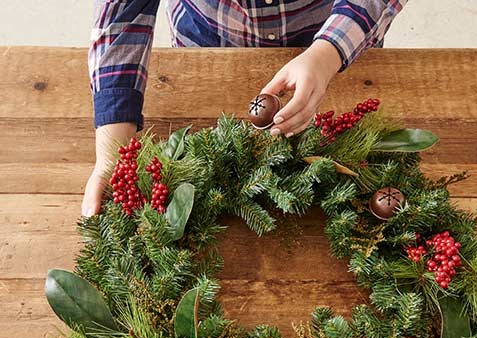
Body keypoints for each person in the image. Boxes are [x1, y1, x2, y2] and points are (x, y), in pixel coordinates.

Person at [81, 0, 407, 217]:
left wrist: (328, 52)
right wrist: (113, 149)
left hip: (335, 42)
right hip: (209, 44)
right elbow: (122, 11)